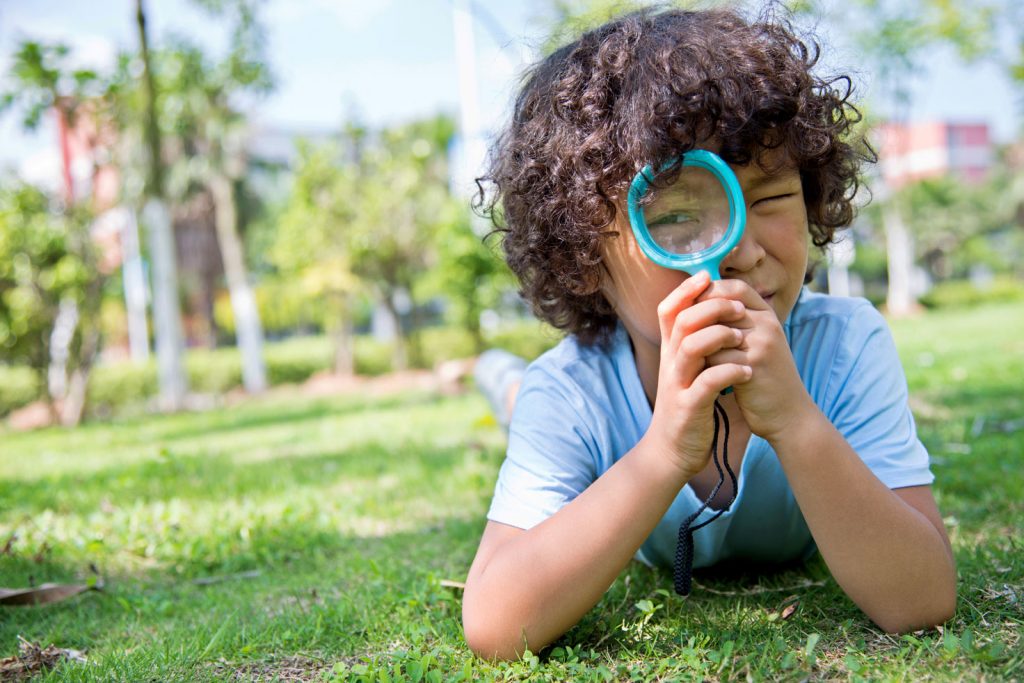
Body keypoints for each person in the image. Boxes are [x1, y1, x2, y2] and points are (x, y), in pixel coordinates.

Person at [461, 6, 956, 661]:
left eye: (773, 198)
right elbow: (496, 626)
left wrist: (797, 422)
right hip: (556, 392)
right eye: (676, 216)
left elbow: (922, 599)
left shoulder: (845, 346)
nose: (742, 249)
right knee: (526, 394)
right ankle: (495, 373)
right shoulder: (573, 391)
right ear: (582, 254)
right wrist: (662, 452)